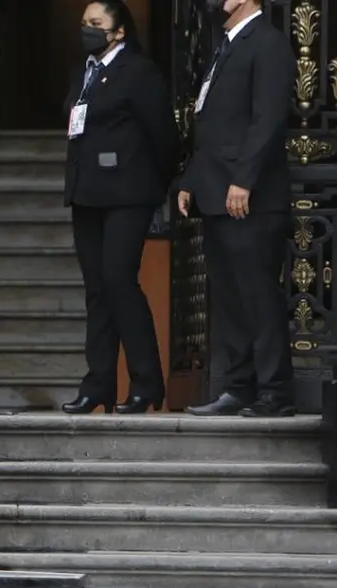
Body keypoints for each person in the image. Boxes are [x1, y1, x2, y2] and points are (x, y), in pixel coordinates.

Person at [178, 0, 296, 418]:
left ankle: (275, 391)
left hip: (251, 198)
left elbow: (267, 120)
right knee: (229, 298)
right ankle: (239, 386)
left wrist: (244, 179)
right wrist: (190, 180)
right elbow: (211, 124)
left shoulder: (268, 43)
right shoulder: (225, 44)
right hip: (215, 193)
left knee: (258, 295)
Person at [60, 0, 179, 415]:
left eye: (96, 23)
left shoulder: (138, 72)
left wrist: (158, 183)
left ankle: (146, 383)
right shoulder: (84, 72)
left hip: (128, 194)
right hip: (86, 193)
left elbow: (163, 134)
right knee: (97, 289)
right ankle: (99, 385)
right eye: (84, 23)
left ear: (120, 30)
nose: (87, 29)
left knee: (118, 281)